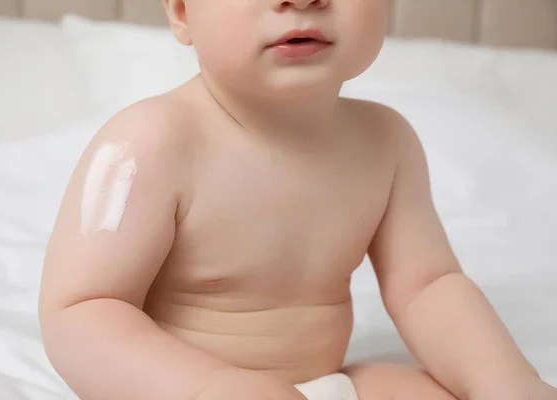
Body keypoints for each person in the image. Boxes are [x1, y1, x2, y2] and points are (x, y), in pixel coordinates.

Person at [38, 0, 557, 399]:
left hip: (324, 382)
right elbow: (83, 310)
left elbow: (427, 286)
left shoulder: (385, 141)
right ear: (181, 11)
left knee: (411, 388)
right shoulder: (149, 142)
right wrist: (210, 389)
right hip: (170, 388)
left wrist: (506, 380)